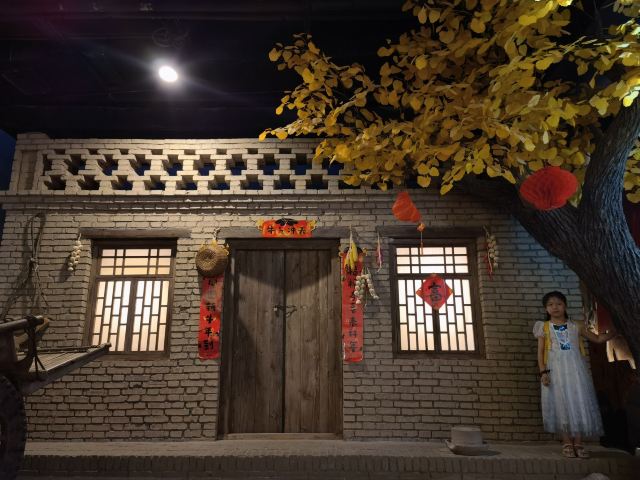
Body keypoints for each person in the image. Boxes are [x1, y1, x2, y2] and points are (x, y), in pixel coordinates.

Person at [533, 291, 618, 458]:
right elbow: (540, 352)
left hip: (575, 370)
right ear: (546, 308)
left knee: (578, 400)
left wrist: (615, 331)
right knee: (561, 402)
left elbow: (598, 339)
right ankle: (566, 442)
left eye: (559, 303)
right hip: (555, 370)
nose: (555, 307)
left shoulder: (576, 325)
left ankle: (578, 443)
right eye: (550, 304)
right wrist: (543, 372)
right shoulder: (544, 327)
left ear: (565, 305)